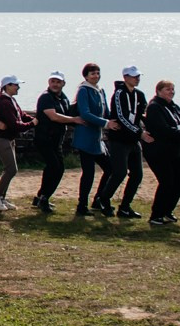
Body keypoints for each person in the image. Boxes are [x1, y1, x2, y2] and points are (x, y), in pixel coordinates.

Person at [140, 79, 180, 225]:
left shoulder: (173, 107)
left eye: (173, 89)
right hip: (158, 151)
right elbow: (162, 129)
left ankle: (167, 210)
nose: (171, 92)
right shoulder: (155, 107)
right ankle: (156, 214)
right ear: (159, 91)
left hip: (174, 150)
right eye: (168, 89)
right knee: (166, 181)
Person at [102, 67, 147, 219]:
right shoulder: (119, 93)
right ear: (125, 77)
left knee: (137, 175)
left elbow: (142, 115)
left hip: (133, 141)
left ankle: (125, 207)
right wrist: (140, 132)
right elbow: (121, 117)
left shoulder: (139, 95)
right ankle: (104, 199)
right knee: (119, 173)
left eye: (138, 76)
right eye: (134, 76)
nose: (137, 79)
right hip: (119, 140)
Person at [30, 74, 77, 212]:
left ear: (63, 83)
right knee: (55, 166)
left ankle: (41, 197)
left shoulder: (63, 98)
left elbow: (68, 112)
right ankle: (43, 198)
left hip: (56, 140)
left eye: (58, 82)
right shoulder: (45, 97)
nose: (55, 84)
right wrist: (75, 120)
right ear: (49, 82)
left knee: (57, 168)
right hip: (44, 138)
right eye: (52, 81)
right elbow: (53, 116)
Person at [0, 75, 33, 212]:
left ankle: (1, 196)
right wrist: (32, 124)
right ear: (7, 86)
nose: (18, 87)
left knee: (10, 169)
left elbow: (21, 115)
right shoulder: (4, 103)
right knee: (11, 169)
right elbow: (14, 124)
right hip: (2, 139)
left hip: (8, 139)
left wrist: (32, 119)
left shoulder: (10, 100)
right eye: (15, 85)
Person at [71, 65, 109, 217]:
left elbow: (106, 111)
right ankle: (82, 205)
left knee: (110, 168)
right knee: (88, 173)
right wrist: (105, 123)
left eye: (98, 73)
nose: (96, 76)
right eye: (93, 73)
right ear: (86, 76)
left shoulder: (100, 90)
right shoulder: (83, 90)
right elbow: (85, 113)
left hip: (97, 138)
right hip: (85, 137)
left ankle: (98, 199)